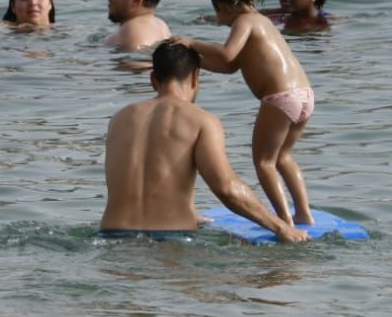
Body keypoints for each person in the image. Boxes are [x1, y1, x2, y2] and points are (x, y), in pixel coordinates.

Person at [101, 40, 307, 243]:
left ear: (153, 79)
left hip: (110, 238)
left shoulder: (119, 119)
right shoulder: (201, 121)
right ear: (195, 77)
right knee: (272, 274)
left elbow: (141, 183)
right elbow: (227, 188)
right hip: (172, 242)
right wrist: (281, 227)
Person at [174, 0, 316, 227]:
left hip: (280, 98)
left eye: (218, 12)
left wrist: (191, 42)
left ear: (226, 5)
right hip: (304, 95)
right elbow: (230, 66)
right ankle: (304, 213)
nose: (220, 20)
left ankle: (284, 221)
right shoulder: (262, 22)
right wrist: (196, 61)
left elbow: (227, 54)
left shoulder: (244, 21)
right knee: (283, 157)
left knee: (264, 162)